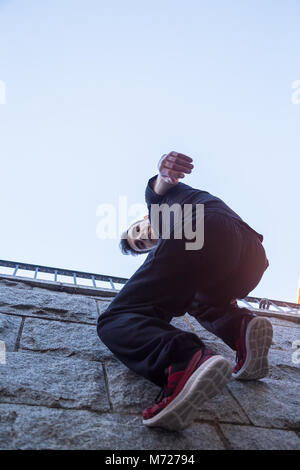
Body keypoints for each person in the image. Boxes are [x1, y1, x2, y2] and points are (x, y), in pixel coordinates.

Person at [97, 151, 273, 431]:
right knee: (195, 296)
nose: (143, 238)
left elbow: (160, 185)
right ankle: (241, 329)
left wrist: (165, 173)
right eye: (141, 245)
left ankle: (182, 359)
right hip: (251, 257)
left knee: (117, 318)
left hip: (203, 228)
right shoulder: (174, 251)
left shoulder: (159, 206)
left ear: (145, 217)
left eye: (139, 231)